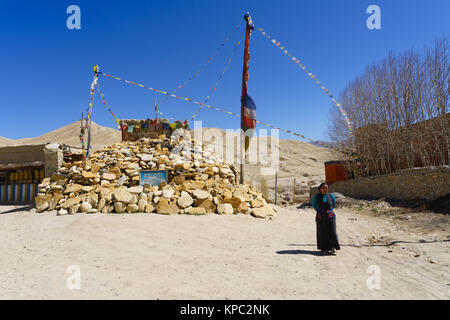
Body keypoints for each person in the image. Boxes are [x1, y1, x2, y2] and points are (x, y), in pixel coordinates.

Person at [312, 183, 341, 255]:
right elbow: (314, 205)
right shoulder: (317, 197)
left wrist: (328, 211)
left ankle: (332, 248)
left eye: (326, 188)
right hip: (320, 216)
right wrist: (321, 211)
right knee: (323, 233)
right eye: (323, 188)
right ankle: (324, 249)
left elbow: (333, 205)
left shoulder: (331, 196)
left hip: (331, 216)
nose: (325, 189)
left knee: (332, 232)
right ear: (320, 189)